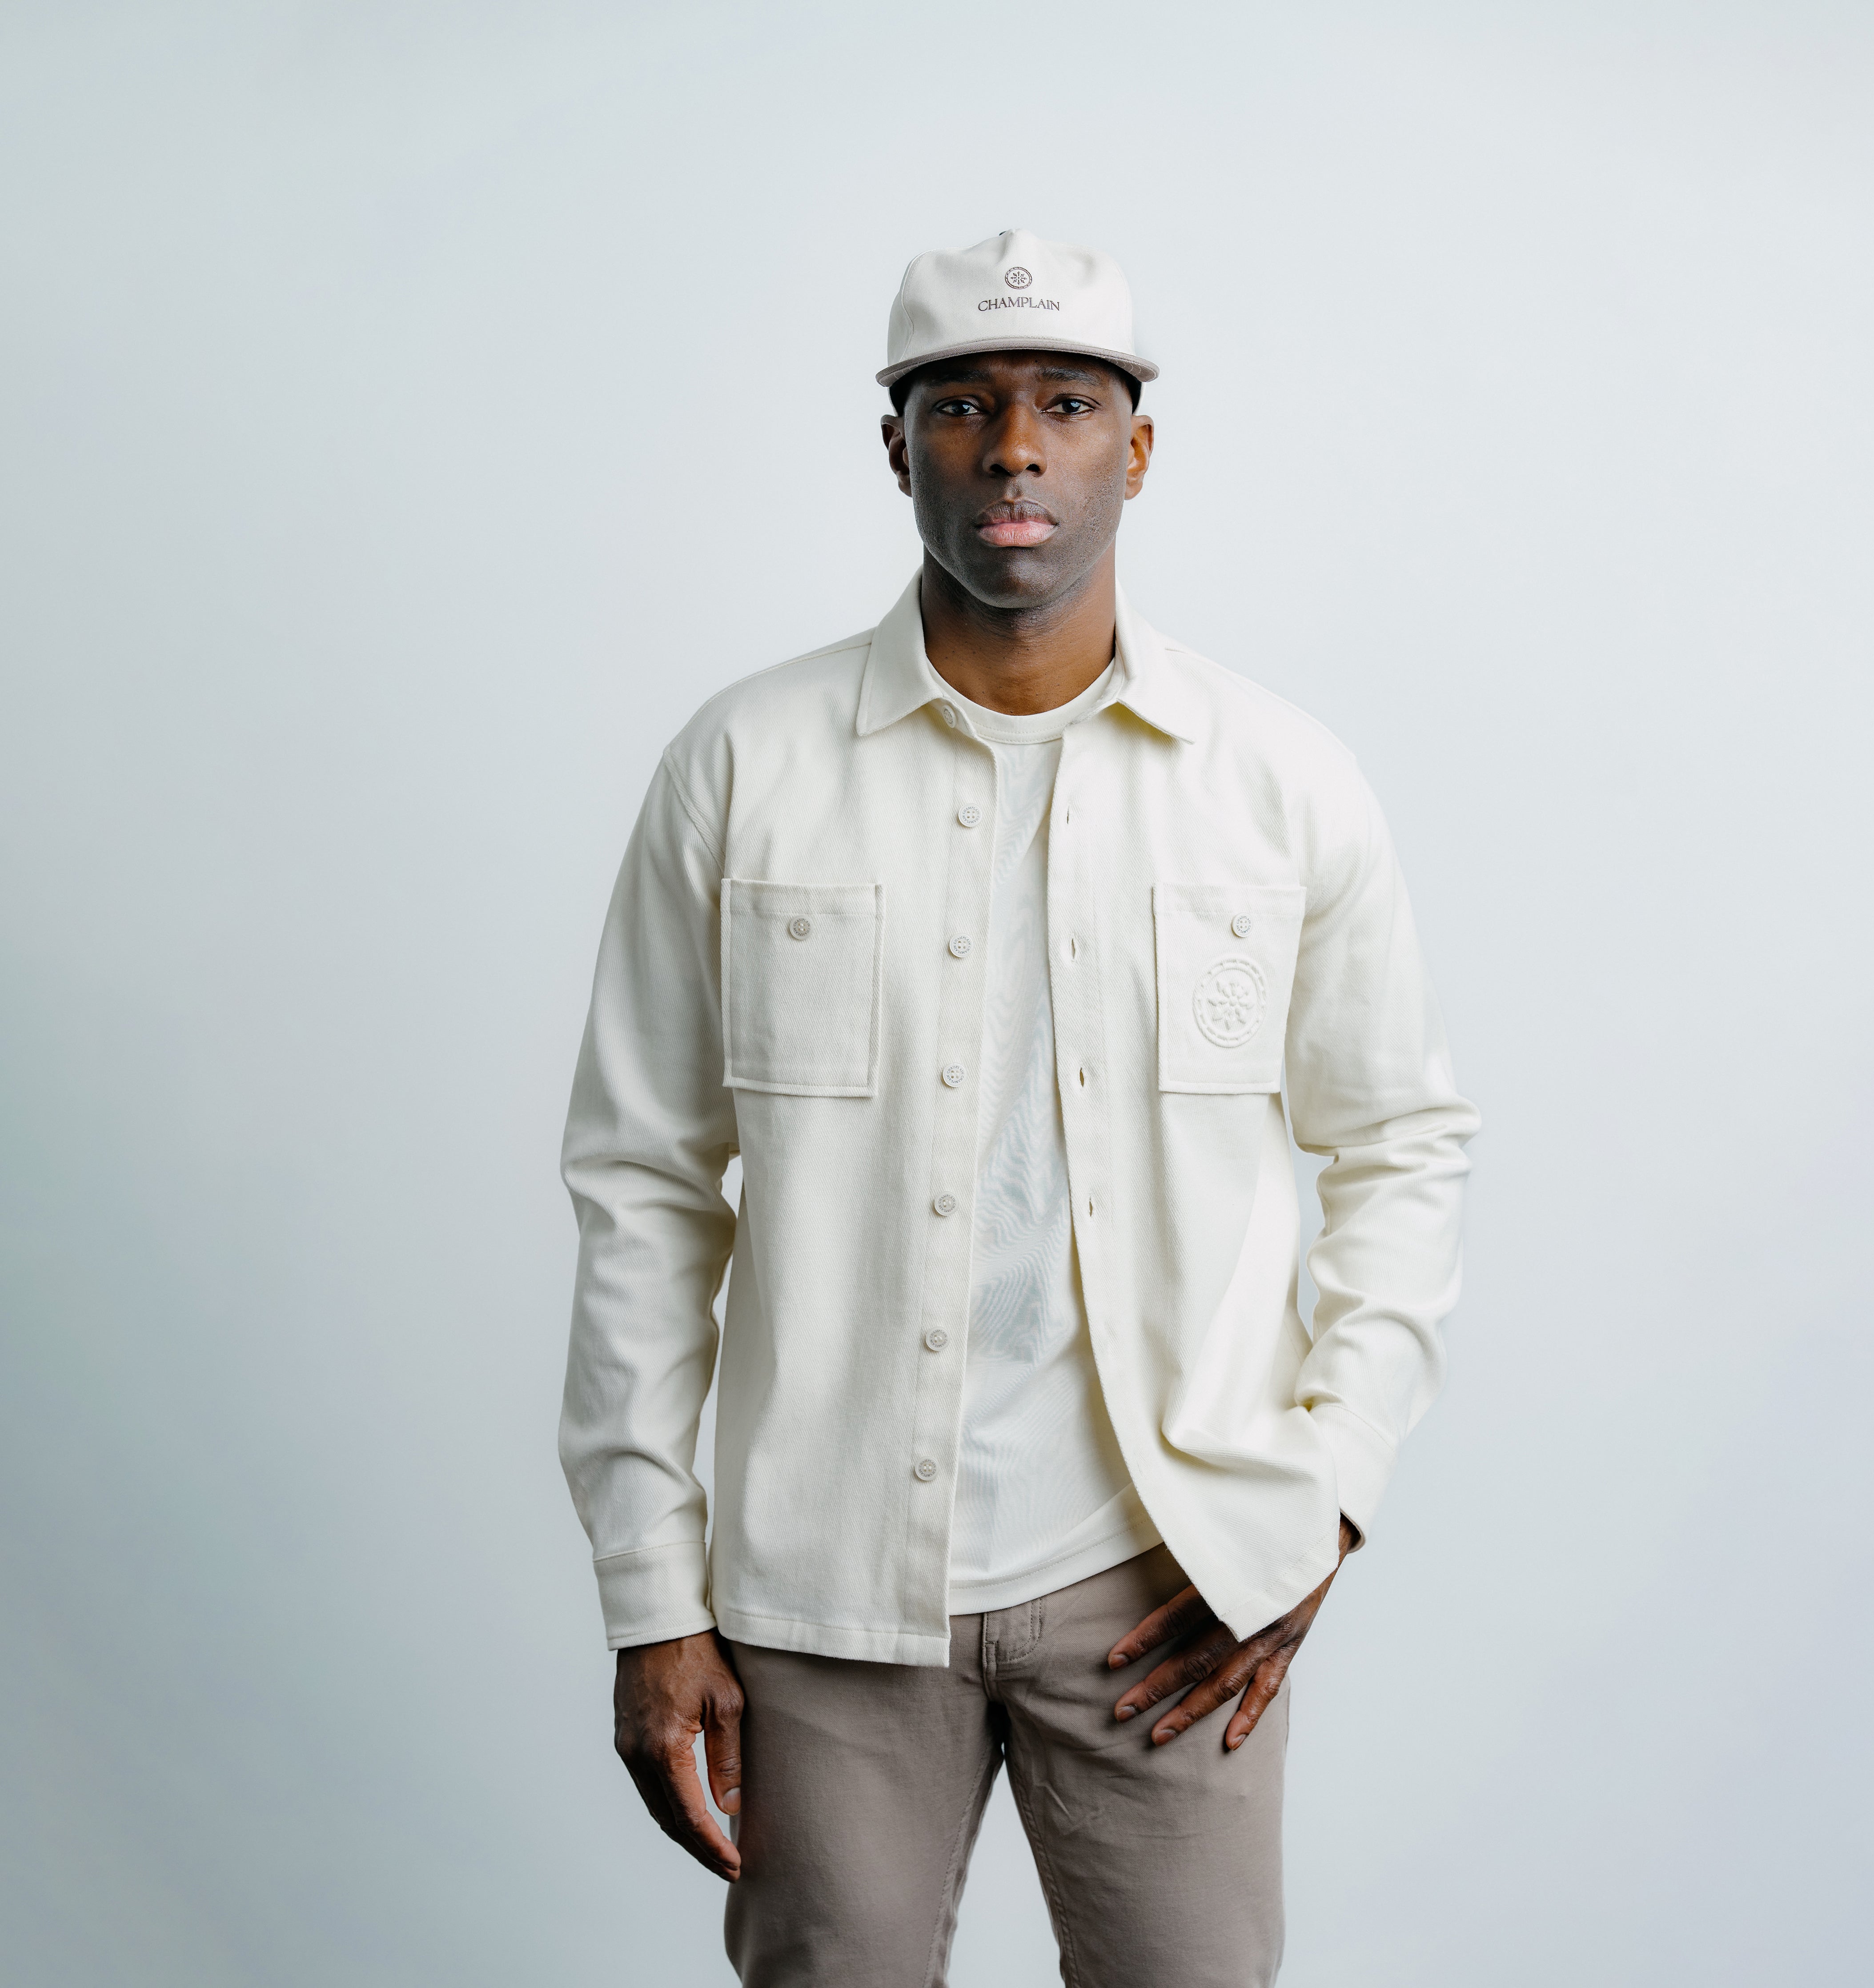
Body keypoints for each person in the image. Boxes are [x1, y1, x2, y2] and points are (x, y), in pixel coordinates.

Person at [558, 228, 1479, 1987]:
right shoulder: (745, 767)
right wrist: (649, 1595)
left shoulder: (1276, 782)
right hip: (820, 1591)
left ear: (1137, 451)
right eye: (962, 404)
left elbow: (1398, 1145)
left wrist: (1324, 1495)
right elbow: (642, 1185)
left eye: (1066, 402)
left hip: (1169, 1577)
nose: (1014, 447)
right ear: (894, 445)